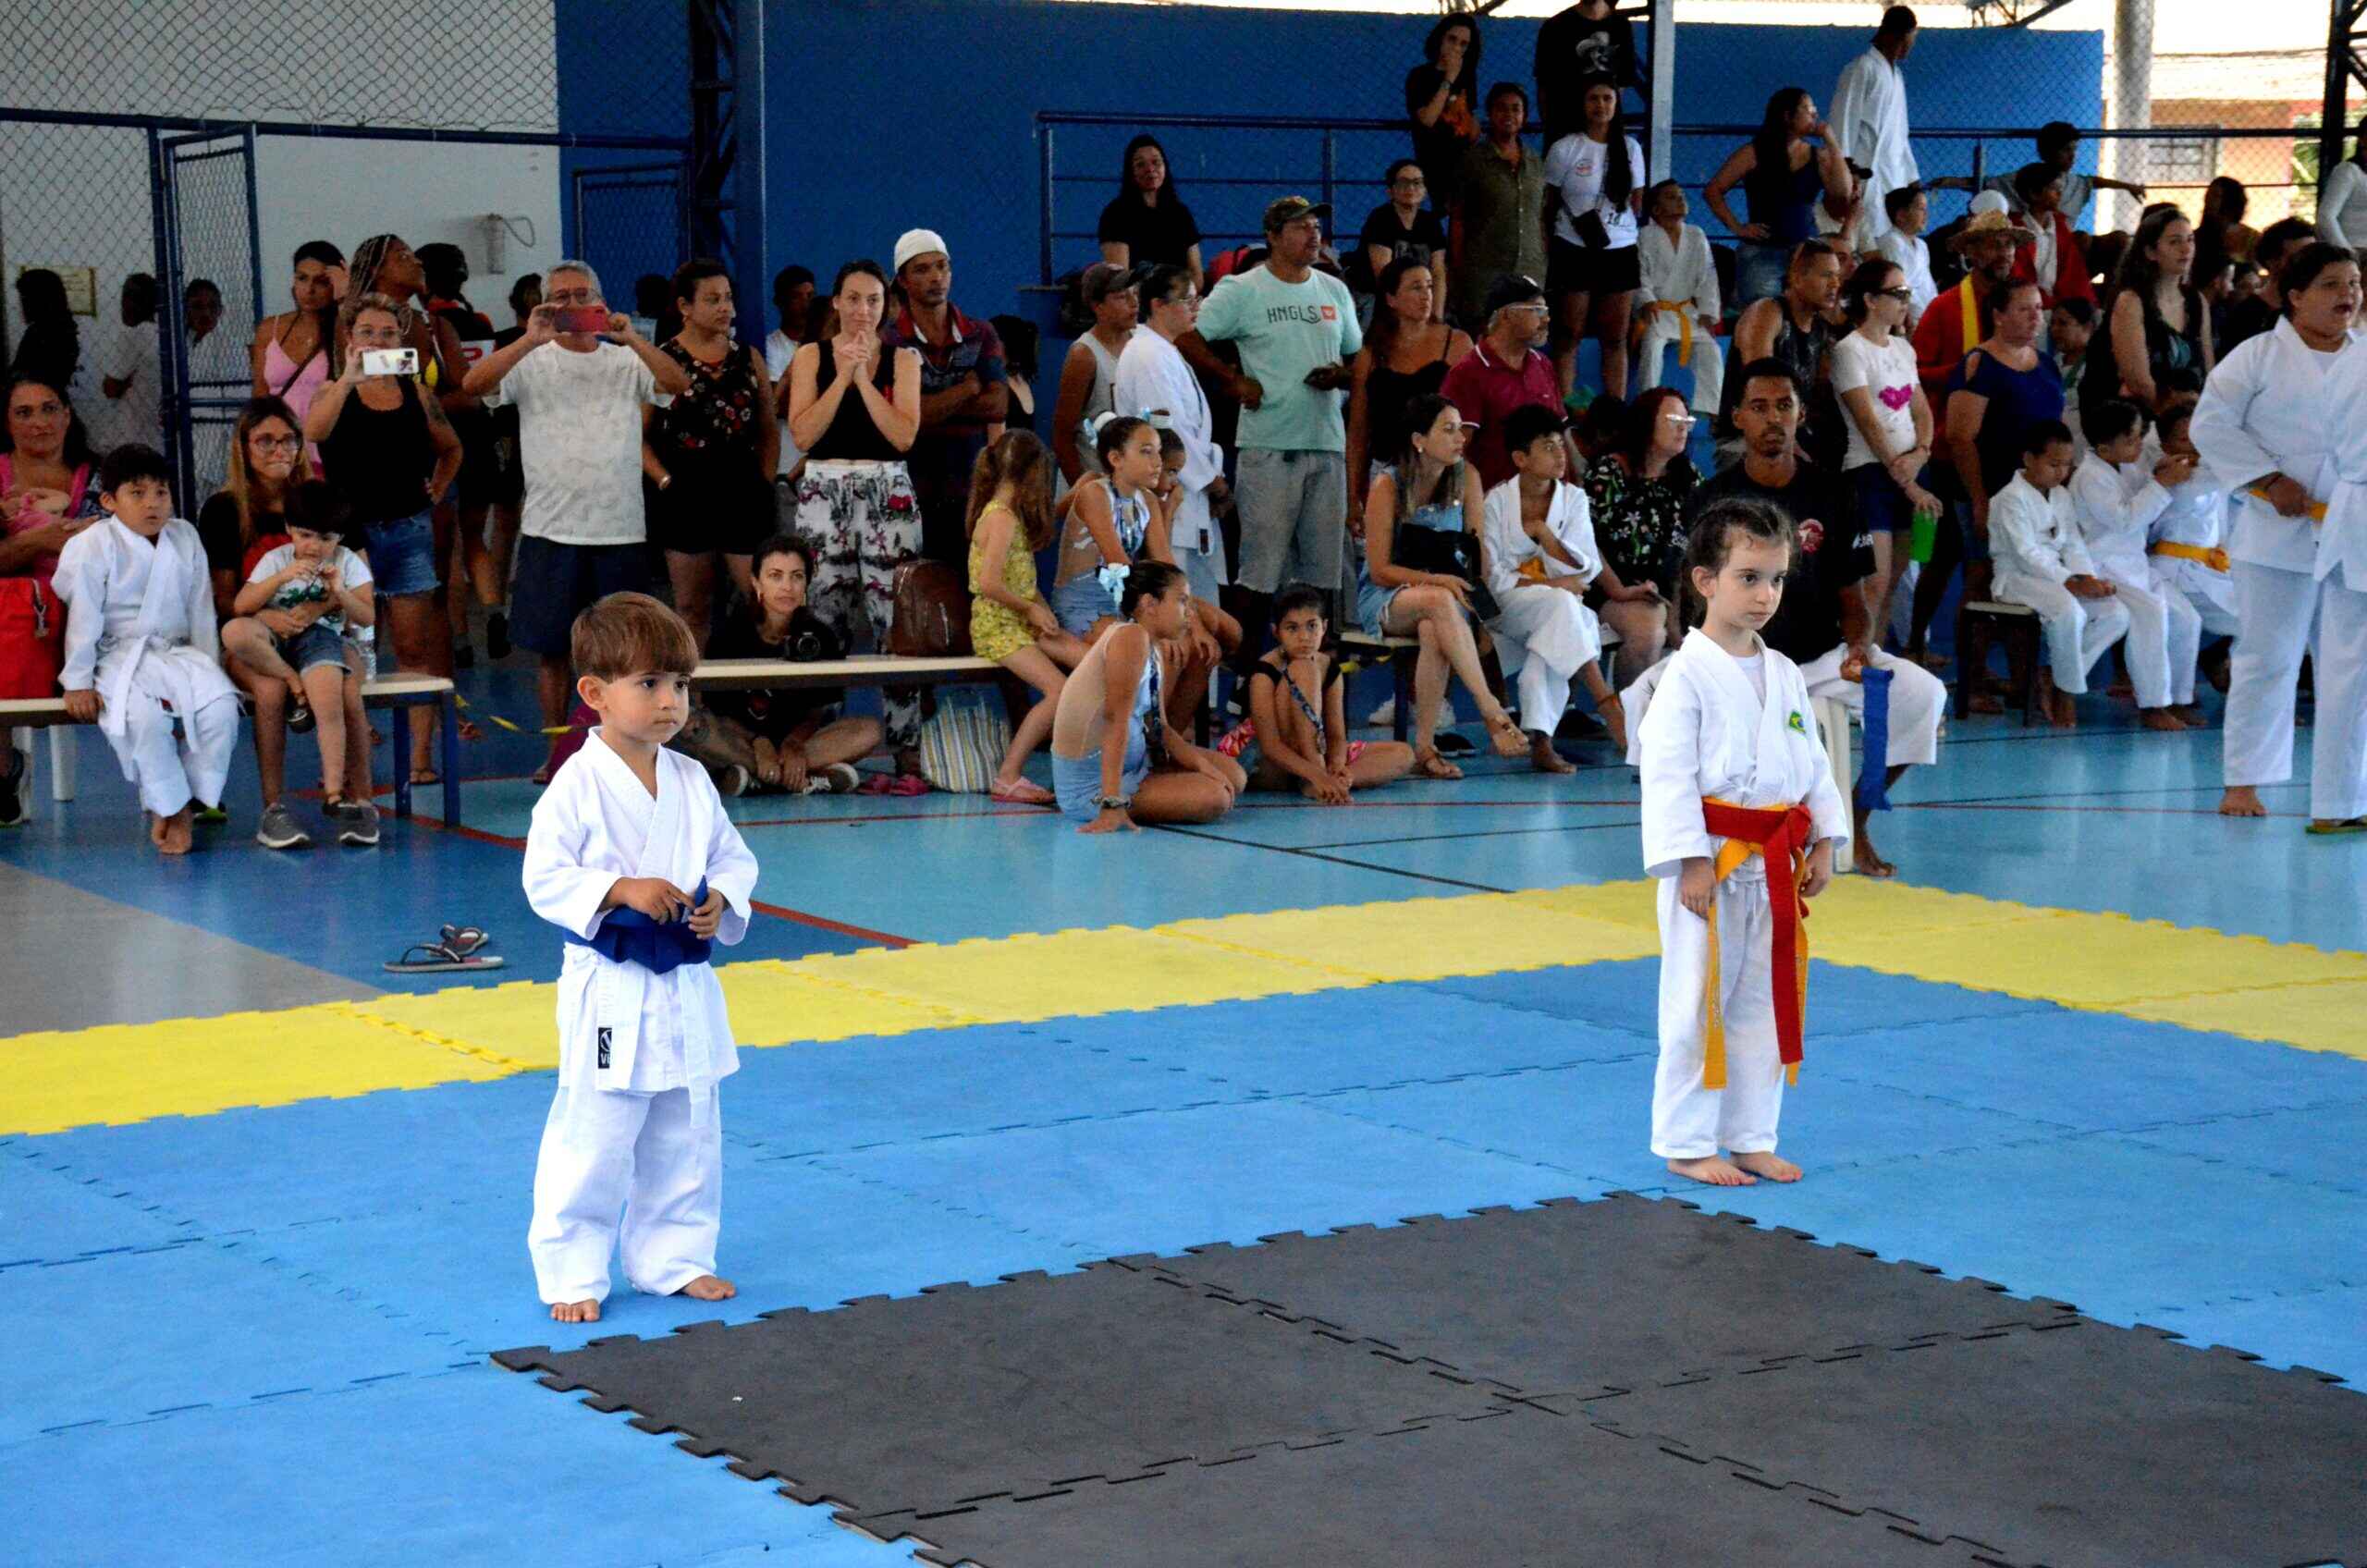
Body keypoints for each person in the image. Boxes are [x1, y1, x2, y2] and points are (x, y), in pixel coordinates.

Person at [523, 591, 756, 1325]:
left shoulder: (692, 780)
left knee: (688, 1129)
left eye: (680, 685)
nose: (669, 702)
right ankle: (572, 1266)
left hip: (686, 977)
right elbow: (544, 877)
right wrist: (619, 886)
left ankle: (676, 1258)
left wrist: (722, 895)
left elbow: (733, 857)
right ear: (593, 694)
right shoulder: (576, 784)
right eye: (649, 684)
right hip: (613, 983)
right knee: (595, 1133)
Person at [1639, 496, 1845, 1188]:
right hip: (1714, 866)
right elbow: (1667, 777)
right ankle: (1687, 1139)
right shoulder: (1684, 676)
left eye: (1777, 579)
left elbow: (1812, 764)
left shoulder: (1784, 671)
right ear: (1705, 582)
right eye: (1749, 577)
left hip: (1773, 865)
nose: (1765, 595)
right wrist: (1690, 860)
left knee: (1763, 1001)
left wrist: (1823, 840)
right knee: (1699, 1004)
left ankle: (1751, 1135)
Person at [1690, 359, 1942, 874]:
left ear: (1801, 413)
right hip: (1739, 663)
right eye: (1759, 407)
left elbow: (1856, 598)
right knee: (1649, 703)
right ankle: (1702, 840)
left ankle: (1854, 815)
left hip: (1820, 661)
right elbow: (1696, 604)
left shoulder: (1833, 491)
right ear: (1737, 417)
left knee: (1923, 694)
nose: (1773, 419)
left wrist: (1857, 647)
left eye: (1784, 406)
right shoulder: (1712, 500)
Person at [462, 258, 693, 783]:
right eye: (560, 296)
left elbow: (676, 383)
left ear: (600, 301)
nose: (570, 305)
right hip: (550, 530)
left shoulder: (624, 360)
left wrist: (631, 338)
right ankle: (560, 752)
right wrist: (528, 338)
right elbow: (473, 385)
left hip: (621, 529)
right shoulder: (529, 360)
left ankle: (628, 752)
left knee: (631, 654)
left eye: (581, 295)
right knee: (552, 651)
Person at [2194, 241, 2367, 829]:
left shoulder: (2363, 355)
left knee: (2352, 666)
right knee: (2268, 657)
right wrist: (2267, 479)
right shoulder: (2258, 357)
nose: (2348, 294)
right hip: (2275, 532)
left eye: (2354, 283)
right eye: (2331, 284)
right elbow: (2210, 425)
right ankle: (2244, 780)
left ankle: (2350, 793)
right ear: (2294, 297)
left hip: (2349, 531)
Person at [1180, 196, 1362, 633]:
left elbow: (1358, 360)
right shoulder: (1242, 289)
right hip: (1269, 447)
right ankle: (1246, 676)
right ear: (1274, 237)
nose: (1313, 235)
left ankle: (1317, 677)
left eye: (1316, 227)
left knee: (1324, 575)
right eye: (1301, 227)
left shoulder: (1334, 289)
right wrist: (1233, 379)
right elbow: (1188, 338)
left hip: (1326, 443)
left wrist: (1340, 374)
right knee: (1261, 572)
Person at [307, 291, 465, 787]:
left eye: (388, 333)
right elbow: (314, 429)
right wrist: (348, 380)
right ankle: (356, 758)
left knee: (413, 646)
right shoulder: (332, 390)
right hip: (350, 536)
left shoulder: (417, 393)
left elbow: (452, 448)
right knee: (351, 644)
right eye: (368, 333)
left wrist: (436, 490)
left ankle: (419, 757)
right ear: (350, 339)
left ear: (402, 339)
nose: (378, 341)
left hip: (408, 531)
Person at [53, 445, 239, 857]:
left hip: (178, 652)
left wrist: (210, 666)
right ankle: (170, 807)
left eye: (161, 492)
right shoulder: (93, 544)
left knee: (222, 708)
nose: (152, 504)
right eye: (137, 493)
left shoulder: (185, 535)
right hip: (117, 656)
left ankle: (189, 799)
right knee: (144, 719)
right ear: (109, 501)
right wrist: (78, 682)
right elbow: (82, 618)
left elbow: (200, 609)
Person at [784, 260, 926, 782]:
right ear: (837, 303)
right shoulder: (809, 357)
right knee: (823, 615)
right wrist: (842, 374)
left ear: (885, 306)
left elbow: (902, 436)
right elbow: (802, 434)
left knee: (896, 619)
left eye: (873, 300)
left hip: (886, 488)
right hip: (825, 486)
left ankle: (906, 743)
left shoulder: (903, 360)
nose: (863, 310)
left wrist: (865, 380)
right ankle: (820, 744)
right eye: (853, 299)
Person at [1357, 392, 1529, 776]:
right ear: (1419, 439)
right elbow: (1380, 568)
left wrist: (1482, 619)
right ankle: (1490, 709)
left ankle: (1425, 747)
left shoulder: (1466, 478)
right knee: (1437, 602)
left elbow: (1475, 556)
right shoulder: (1388, 485)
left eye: (1460, 430)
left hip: (1447, 599)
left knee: (1434, 627)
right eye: (1448, 430)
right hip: (1387, 596)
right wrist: (1436, 581)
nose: (1460, 438)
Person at [1482, 403, 1640, 764]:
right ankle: (1606, 700)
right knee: (1563, 608)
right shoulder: (1496, 502)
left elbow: (1585, 571)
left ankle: (1541, 742)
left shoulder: (1573, 499)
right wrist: (1556, 584)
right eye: (1548, 447)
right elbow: (1493, 577)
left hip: (1558, 609)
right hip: (1508, 607)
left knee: (1552, 637)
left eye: (1560, 445)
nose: (1560, 455)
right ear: (1520, 458)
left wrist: (1547, 538)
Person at [226, 481, 379, 849]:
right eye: (306, 535)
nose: (314, 546)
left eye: (325, 538)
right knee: (237, 634)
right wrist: (279, 583)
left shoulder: (346, 562)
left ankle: (342, 795)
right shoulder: (277, 560)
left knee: (339, 694)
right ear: (290, 531)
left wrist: (337, 593)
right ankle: (294, 685)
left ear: (339, 537)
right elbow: (241, 607)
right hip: (276, 649)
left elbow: (366, 616)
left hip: (322, 642)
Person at [678, 533, 881, 797]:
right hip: (744, 741)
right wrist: (758, 743)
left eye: (796, 576)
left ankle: (757, 778)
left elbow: (817, 711)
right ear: (756, 582)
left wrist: (794, 745)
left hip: (800, 743)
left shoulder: (820, 636)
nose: (787, 586)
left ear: (807, 583)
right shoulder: (730, 634)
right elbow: (720, 712)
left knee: (869, 730)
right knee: (689, 724)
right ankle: (799, 776)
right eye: (776, 576)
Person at [643, 258, 779, 651]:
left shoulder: (748, 357)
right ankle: (694, 702)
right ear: (685, 307)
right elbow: (637, 437)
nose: (725, 308)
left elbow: (769, 428)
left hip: (743, 493)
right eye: (713, 299)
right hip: (686, 498)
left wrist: (764, 482)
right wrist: (666, 481)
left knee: (763, 599)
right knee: (691, 607)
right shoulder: (662, 361)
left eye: (728, 298)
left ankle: (767, 695)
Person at [1052, 560, 1244, 828]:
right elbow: (1114, 722)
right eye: (1182, 601)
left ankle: (1155, 782)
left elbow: (1160, 727)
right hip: (1091, 786)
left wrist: (1201, 765)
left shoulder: (1151, 645)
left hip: (1134, 765)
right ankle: (1110, 798)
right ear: (1149, 604)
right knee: (1214, 798)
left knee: (1233, 776)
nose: (1189, 613)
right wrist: (1111, 804)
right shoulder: (1129, 638)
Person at [1933, 279, 2064, 670]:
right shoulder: (1980, 364)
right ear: (1998, 316)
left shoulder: (2046, 365)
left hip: (2032, 497)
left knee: (2025, 582)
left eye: (2038, 308)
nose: (2034, 316)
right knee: (1980, 579)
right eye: (2024, 308)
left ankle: (2018, 675)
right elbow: (1960, 437)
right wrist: (1979, 501)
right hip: (1986, 491)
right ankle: (1973, 677)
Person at [964, 433, 1085, 806]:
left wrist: (1041, 608)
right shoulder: (999, 519)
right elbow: (989, 584)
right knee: (1058, 690)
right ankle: (1009, 775)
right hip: (997, 624)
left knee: (1086, 661)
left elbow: (1021, 579)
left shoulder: (1009, 516)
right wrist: (1030, 609)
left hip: (1017, 619)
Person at [2068, 398, 2201, 730]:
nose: (2140, 444)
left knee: (2187, 618)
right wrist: (2162, 484)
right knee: (2150, 614)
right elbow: (2125, 520)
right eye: (2131, 440)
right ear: (2103, 447)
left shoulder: (2130, 461)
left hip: (2136, 565)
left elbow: (2157, 470)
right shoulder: (2089, 477)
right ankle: (2152, 705)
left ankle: (2180, 698)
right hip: (2103, 568)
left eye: (2139, 436)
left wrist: (2167, 470)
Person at [1989, 420, 2130, 726]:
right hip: (2016, 578)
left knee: (2115, 614)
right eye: (2053, 464)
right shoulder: (2009, 498)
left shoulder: (2061, 496)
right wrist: (2070, 581)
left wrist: (2086, 577)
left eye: (2066, 465)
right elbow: (2024, 553)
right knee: (2069, 611)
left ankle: (2056, 675)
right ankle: (2067, 694)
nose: (2061, 472)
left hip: (2058, 577)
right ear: (2028, 459)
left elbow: (2074, 545)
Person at [883, 229, 1008, 567]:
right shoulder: (889, 342)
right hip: (910, 491)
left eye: (942, 266)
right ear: (903, 282)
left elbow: (999, 403)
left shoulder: (981, 333)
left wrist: (931, 403)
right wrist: (967, 390)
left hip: (971, 488)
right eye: (922, 270)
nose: (936, 277)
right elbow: (907, 419)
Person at [1831, 258, 1940, 643]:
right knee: (1871, 585)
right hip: (1870, 474)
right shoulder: (1849, 351)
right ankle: (1857, 666)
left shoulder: (1903, 349)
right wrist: (1908, 481)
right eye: (1898, 294)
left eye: (1908, 293)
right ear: (1871, 300)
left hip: (1910, 469)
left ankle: (1874, 665)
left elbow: (1922, 410)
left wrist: (1921, 453)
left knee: (1893, 581)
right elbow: (1869, 424)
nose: (1906, 301)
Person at [1115, 263, 1233, 603]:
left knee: (1196, 595)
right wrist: (1212, 480)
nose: (1196, 307)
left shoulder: (1163, 350)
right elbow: (1169, 433)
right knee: (1177, 596)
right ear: (1158, 305)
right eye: (1188, 299)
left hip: (1185, 492)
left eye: (1198, 299)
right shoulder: (1148, 354)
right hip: (1170, 492)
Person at [1232, 583, 1415, 799]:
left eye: (1312, 626)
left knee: (1403, 754)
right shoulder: (1265, 670)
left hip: (1317, 753)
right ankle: (1315, 779)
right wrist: (1316, 773)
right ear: (1276, 632)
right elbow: (1270, 746)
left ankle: (1339, 782)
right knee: (1304, 668)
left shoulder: (1330, 667)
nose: (1304, 637)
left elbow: (1337, 735)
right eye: (1292, 628)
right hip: (1267, 762)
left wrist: (1337, 766)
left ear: (1324, 627)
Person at [415, 243, 506, 671]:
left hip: (443, 443)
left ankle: (460, 640)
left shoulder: (427, 327)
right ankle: (493, 612)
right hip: (480, 439)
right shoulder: (481, 321)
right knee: (475, 538)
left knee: (446, 549)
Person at [1348, 257, 1473, 537]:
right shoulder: (1370, 355)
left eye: (1429, 286)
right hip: (1386, 471)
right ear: (1391, 298)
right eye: (1416, 287)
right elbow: (1358, 432)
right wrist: (1351, 497)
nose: (1426, 295)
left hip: (1441, 473)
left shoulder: (1458, 344)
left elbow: (1469, 422)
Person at [1543, 75, 1645, 401]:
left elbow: (1638, 201)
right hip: (1574, 248)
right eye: (1594, 99)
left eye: (1607, 99)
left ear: (1616, 104)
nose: (1601, 105)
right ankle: (1566, 407)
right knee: (1568, 333)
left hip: (1620, 250)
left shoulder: (1630, 148)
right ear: (1583, 105)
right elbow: (1548, 201)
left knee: (1615, 338)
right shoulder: (1565, 148)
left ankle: (1613, 407)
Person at [1703, 89, 1852, 308]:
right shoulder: (1754, 152)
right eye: (1808, 109)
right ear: (1787, 115)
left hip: (1805, 252)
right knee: (1763, 313)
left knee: (1805, 315)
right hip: (1763, 253)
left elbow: (1842, 191)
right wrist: (1737, 227)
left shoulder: (1817, 156)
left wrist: (1831, 141)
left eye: (1815, 110)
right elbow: (1714, 190)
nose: (1814, 115)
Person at [1587, 386, 1699, 660]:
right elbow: (1584, 540)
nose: (1682, 428)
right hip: (1609, 587)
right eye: (1674, 421)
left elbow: (1696, 545)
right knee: (1648, 630)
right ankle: (1631, 704)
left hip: (1670, 589)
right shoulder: (1608, 473)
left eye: (1687, 422)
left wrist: (1675, 607)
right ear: (1646, 422)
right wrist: (1619, 590)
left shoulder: (1687, 477)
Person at [2144, 399, 2240, 712]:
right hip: (2174, 569)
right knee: (2251, 623)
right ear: (2164, 444)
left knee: (2264, 618)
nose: (2194, 448)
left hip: (2208, 568)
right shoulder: (2171, 477)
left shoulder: (2206, 477)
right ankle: (2181, 698)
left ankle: (2232, 677)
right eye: (2184, 440)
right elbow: (2225, 473)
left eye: (2199, 437)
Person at [1719, 239, 1843, 468]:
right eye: (1826, 275)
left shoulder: (1819, 329)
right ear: (1796, 278)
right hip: (1747, 438)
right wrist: (1791, 447)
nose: (1835, 284)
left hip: (1792, 435)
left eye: (1837, 275)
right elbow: (1760, 384)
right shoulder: (1767, 312)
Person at [2084, 203, 2212, 418]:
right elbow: (2139, 384)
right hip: (2137, 421)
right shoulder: (2131, 302)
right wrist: (2178, 423)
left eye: (2190, 240)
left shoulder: (2196, 301)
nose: (2186, 248)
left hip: (2188, 417)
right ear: (2151, 252)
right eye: (2174, 242)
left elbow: (2208, 370)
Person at [1050, 414, 1171, 639]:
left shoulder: (1148, 500)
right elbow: (1117, 562)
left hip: (1123, 597)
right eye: (1146, 451)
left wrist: (1187, 614)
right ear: (1116, 458)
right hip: (1084, 601)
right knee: (1151, 643)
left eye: (1158, 451)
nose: (1158, 462)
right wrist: (1157, 615)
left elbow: (1165, 564)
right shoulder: (1095, 492)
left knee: (1217, 632)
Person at [1440, 273, 1564, 491]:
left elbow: (1559, 437)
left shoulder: (1543, 365)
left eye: (1546, 311)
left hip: (1546, 505)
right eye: (1537, 310)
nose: (1546, 319)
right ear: (1507, 315)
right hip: (1492, 508)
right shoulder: (1469, 373)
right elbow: (1453, 451)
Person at [1451, 82, 1549, 326]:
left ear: (1524, 116)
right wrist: (1457, 269)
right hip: (1484, 274)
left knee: (1524, 340)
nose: (1509, 115)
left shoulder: (1535, 162)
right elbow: (1458, 218)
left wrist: (1543, 258)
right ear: (1490, 114)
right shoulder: (1473, 161)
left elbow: (1541, 217)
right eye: (1501, 109)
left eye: (1516, 109)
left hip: (1530, 270)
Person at [1933, 121, 2145, 227]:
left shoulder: (2075, 182)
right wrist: (1949, 181)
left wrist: (2128, 186)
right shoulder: (2025, 179)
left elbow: (2094, 181)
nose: (2072, 157)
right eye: (2066, 151)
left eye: (2074, 150)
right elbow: (1986, 182)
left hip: (2063, 244)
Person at [1913, 201, 2026, 398]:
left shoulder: (2022, 304)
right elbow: (1915, 375)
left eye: (2009, 244)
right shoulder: (1943, 307)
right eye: (1993, 245)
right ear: (1970, 252)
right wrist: (1968, 371)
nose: (2004, 253)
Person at [0, 374, 101, 591]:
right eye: (24, 413)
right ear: (7, 423)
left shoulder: (102, 476)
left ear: (67, 415)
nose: (39, 422)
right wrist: (39, 540)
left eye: (49, 409)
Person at [1828, 7, 1919, 245]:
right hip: (1865, 174)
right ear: (1897, 35)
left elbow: (1900, 134)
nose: (1911, 45)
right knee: (1863, 239)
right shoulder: (1861, 68)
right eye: (1911, 38)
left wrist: (1911, 176)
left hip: (1894, 175)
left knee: (1890, 241)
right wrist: (1847, 172)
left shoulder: (1896, 76)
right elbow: (1843, 123)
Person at [1633, 181, 1723, 420]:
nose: (1681, 200)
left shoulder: (1696, 234)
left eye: (1682, 196)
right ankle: (1649, 404)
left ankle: (1710, 411)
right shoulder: (1645, 235)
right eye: (1671, 197)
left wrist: (1707, 311)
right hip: (1658, 310)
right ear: (1656, 210)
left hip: (1686, 311)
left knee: (1711, 350)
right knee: (1652, 347)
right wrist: (1646, 300)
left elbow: (1707, 276)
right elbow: (1639, 273)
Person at [250, 241, 343, 458]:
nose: (309, 290)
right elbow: (260, 393)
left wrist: (345, 298)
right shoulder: (270, 328)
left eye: (321, 281)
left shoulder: (345, 329)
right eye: (302, 278)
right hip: (280, 450)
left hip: (329, 448)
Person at [1050, 262, 1137, 484]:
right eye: (1121, 297)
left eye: (1135, 293)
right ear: (1098, 306)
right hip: (1094, 483)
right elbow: (1062, 435)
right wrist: (1084, 492)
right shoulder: (1084, 356)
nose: (1134, 302)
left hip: (1131, 486)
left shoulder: (1143, 344)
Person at [1098, 135, 1204, 291]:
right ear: (1130, 172)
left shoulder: (1181, 214)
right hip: (1139, 301)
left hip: (1179, 299)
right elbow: (1120, 278)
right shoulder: (1116, 214)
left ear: (1165, 167)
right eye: (1140, 164)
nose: (1150, 169)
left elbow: (1196, 273)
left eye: (1156, 162)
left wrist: (1180, 296)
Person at [1534, 0, 1645, 143]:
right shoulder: (1555, 27)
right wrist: (1551, 130)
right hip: (1564, 130)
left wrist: (1605, 118)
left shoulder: (1621, 27)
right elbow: (1544, 86)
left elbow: (1622, 82)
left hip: (1605, 132)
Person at [1405, 14, 1483, 214]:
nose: (1457, 47)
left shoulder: (1467, 77)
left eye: (1464, 44)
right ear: (1440, 38)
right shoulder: (1420, 76)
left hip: (1465, 160)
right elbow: (1427, 119)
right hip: (1435, 163)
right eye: (1452, 39)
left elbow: (1470, 119)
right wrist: (1449, 78)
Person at [1356, 159, 1450, 315]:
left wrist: (1436, 315)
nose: (1410, 188)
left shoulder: (1431, 223)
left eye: (1417, 182)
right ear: (1390, 190)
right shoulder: (1380, 219)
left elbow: (1438, 272)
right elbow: (1384, 276)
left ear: (1425, 190)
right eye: (1403, 182)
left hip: (1419, 293)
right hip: (1379, 297)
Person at [764, 263, 817, 510]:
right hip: (785, 463)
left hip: (819, 464)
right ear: (780, 302)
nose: (805, 304)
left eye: (810, 296)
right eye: (797, 297)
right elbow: (777, 402)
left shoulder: (825, 347)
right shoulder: (771, 347)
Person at [2009, 165, 2095, 310]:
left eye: (2060, 188)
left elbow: (2075, 275)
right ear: (2034, 194)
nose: (2060, 194)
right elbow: (2019, 278)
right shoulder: (2016, 230)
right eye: (2053, 189)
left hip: (2062, 307)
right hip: (2029, 305)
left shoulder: (2061, 228)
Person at [2222, 217, 2312, 353]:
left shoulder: (2316, 309)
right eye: (2299, 258)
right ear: (2273, 262)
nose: (2310, 265)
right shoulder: (2247, 316)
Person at [99, 274, 163, 455]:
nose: (125, 305)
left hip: (129, 435)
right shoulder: (163, 335)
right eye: (126, 297)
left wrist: (123, 383)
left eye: (133, 298)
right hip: (156, 436)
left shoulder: (134, 335)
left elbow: (110, 388)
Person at [9, 269, 82, 409]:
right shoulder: (64, 328)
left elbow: (23, 377)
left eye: (24, 298)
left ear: (38, 300)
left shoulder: (40, 334)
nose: (21, 305)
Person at [1875, 184, 1938, 325]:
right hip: (1907, 318)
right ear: (1901, 215)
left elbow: (1928, 285)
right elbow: (1899, 287)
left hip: (1929, 313)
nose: (1926, 214)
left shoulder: (1922, 246)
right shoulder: (1891, 242)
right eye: (1921, 209)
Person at [2313, 116, 2367, 250]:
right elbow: (2325, 217)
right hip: (2356, 249)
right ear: (2362, 139)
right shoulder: (2348, 171)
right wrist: (2347, 252)